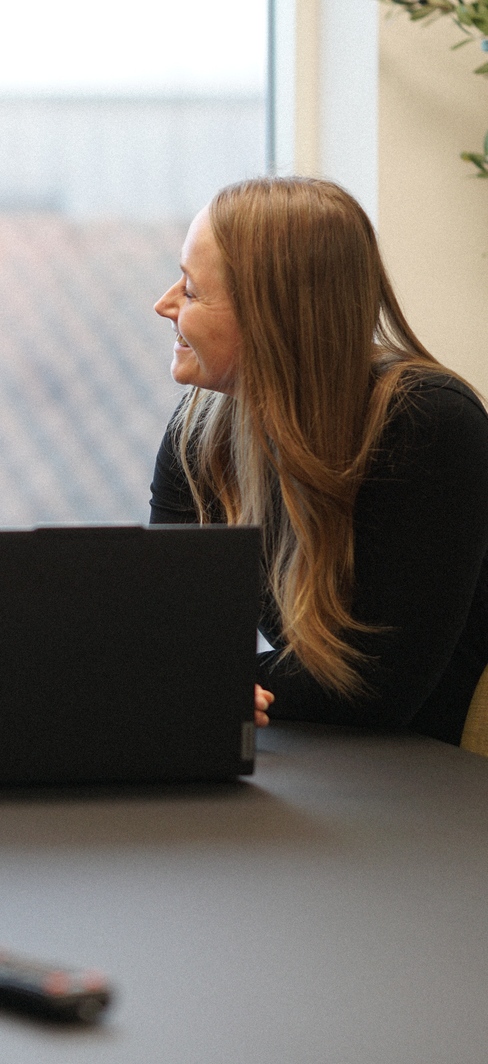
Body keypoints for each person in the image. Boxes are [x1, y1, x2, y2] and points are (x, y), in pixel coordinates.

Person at [150, 176, 488, 746]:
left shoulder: (430, 423)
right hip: (317, 752)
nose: (163, 305)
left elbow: (373, 685)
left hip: (427, 768)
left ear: (273, 313)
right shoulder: (199, 431)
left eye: (191, 289)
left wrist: (202, 683)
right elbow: (174, 640)